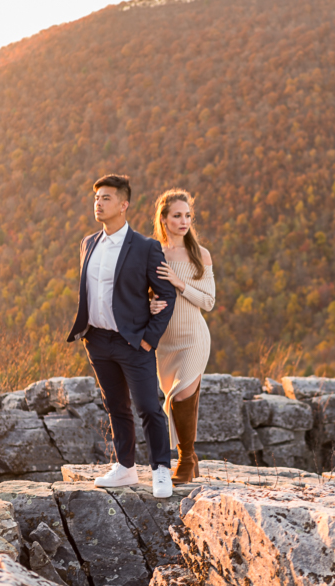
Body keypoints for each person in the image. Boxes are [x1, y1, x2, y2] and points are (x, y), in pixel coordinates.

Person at [66, 175, 177, 498]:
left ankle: (160, 470)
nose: (98, 203)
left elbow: (165, 295)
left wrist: (148, 339)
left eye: (106, 198)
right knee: (115, 405)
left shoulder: (145, 247)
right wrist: (87, 333)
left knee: (148, 406)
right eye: (96, 198)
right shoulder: (89, 243)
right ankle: (125, 467)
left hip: (133, 342)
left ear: (124, 205)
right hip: (97, 341)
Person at [148, 189, 215, 484]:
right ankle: (188, 459)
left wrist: (179, 283)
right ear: (163, 219)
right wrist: (148, 304)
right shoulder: (154, 253)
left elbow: (209, 301)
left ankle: (186, 459)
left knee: (182, 394)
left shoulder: (200, 254)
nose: (184, 221)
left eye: (187, 215)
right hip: (166, 341)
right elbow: (142, 295)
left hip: (194, 336)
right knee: (171, 399)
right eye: (177, 216)